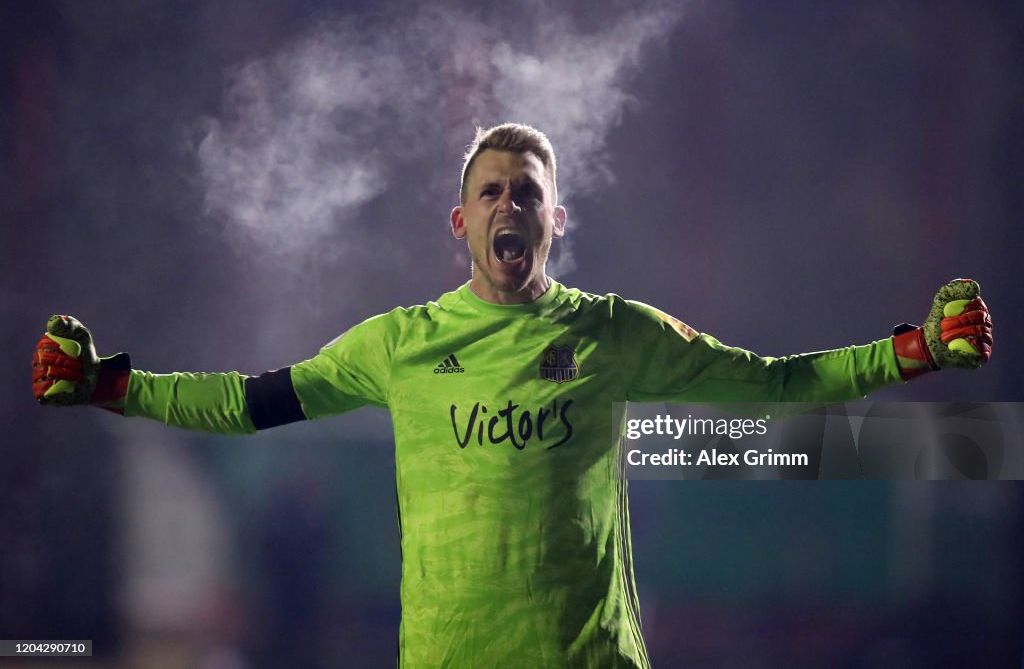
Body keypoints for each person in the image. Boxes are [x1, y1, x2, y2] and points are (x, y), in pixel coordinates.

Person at [33, 123, 993, 668]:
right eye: (491, 191)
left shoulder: (613, 332)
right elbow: (249, 402)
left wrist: (911, 352)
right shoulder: (401, 344)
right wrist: (112, 385)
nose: (508, 206)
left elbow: (778, 385)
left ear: (555, 219)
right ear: (461, 220)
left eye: (526, 192)